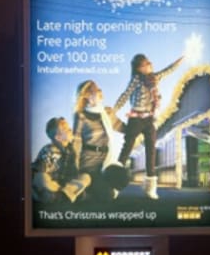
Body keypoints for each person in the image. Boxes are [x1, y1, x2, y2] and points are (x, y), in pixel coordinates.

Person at [113, 53, 184, 199]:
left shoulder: (155, 78)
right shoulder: (136, 80)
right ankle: (114, 184)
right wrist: (114, 110)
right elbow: (125, 95)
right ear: (139, 68)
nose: (150, 64)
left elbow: (169, 70)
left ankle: (150, 187)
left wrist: (181, 59)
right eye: (146, 63)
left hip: (149, 119)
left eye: (149, 62)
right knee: (127, 148)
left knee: (151, 151)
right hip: (136, 118)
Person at [72, 80, 128, 202]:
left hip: (106, 160)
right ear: (86, 95)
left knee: (123, 178)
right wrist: (74, 168)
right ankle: (88, 191)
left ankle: (92, 189)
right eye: (96, 89)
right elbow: (76, 143)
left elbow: (124, 128)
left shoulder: (107, 112)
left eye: (100, 88)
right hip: (89, 163)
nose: (100, 91)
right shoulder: (80, 115)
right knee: (106, 195)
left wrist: (137, 121)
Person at [31, 117, 90, 203]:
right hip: (52, 184)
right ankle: (63, 196)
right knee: (41, 178)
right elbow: (40, 170)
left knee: (86, 177)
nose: (70, 130)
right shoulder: (48, 150)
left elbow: (75, 171)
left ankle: (63, 195)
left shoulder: (72, 150)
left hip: (65, 185)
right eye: (66, 129)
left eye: (69, 127)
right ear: (58, 138)